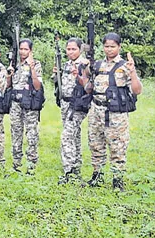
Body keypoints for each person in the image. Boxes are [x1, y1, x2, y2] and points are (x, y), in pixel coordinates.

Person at [80, 33, 142, 191]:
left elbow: (137, 90)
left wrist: (133, 71)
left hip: (116, 114)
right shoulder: (98, 64)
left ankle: (117, 180)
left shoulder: (124, 66)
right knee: (95, 144)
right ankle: (97, 176)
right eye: (106, 46)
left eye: (112, 46)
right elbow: (86, 78)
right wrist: (86, 71)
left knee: (117, 147)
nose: (109, 49)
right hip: (96, 110)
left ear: (119, 47)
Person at [53, 38, 89, 184]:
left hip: (78, 104)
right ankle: (76, 167)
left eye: (73, 49)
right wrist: (56, 75)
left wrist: (80, 75)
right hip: (65, 103)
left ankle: (68, 170)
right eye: (68, 49)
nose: (70, 52)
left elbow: (89, 84)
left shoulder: (85, 64)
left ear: (80, 49)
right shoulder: (66, 64)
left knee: (67, 136)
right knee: (75, 135)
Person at [7, 39, 44, 174]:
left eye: (25, 49)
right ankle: (16, 164)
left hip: (29, 103)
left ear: (30, 51)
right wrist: (9, 75)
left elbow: (38, 85)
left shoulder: (36, 64)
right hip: (15, 104)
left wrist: (32, 67)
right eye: (21, 49)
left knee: (31, 134)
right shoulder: (14, 64)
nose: (23, 52)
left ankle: (31, 166)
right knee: (16, 133)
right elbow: (8, 86)